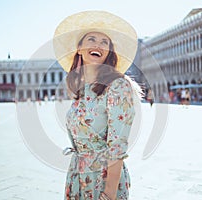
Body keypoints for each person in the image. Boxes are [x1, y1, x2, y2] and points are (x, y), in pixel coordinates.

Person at [53, 11, 142, 200]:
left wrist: (109, 194)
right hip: (77, 177)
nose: (97, 45)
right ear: (79, 48)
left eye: (104, 42)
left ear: (109, 51)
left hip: (102, 180)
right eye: (91, 39)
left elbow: (117, 146)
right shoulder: (82, 89)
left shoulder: (117, 86)